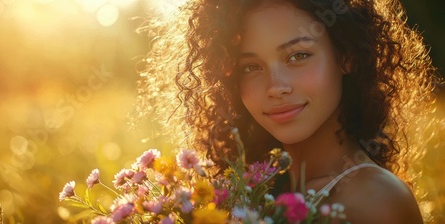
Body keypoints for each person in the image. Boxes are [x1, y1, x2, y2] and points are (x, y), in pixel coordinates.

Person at [136, 0, 441, 223]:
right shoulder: (249, 192)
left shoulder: (375, 201)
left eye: (298, 55)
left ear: (346, 57)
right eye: (251, 66)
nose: (275, 86)